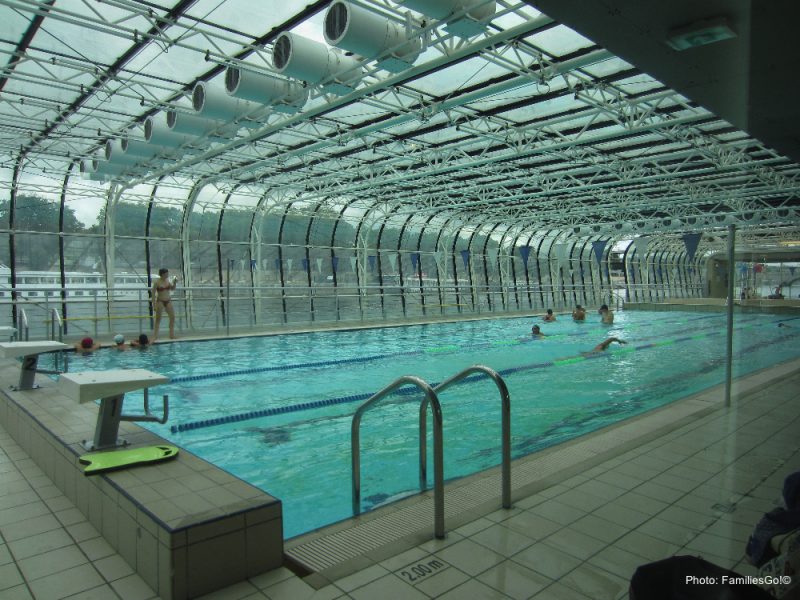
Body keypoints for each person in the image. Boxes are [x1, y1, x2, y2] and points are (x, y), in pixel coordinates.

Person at [152, 268, 177, 340]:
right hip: (160, 301)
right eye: (166, 273)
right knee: (158, 319)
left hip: (168, 300)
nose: (167, 274)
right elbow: (153, 294)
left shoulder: (167, 281)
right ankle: (155, 336)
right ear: (162, 274)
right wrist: (154, 305)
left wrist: (174, 283)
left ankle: (171, 335)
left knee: (172, 317)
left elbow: (172, 289)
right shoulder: (157, 282)